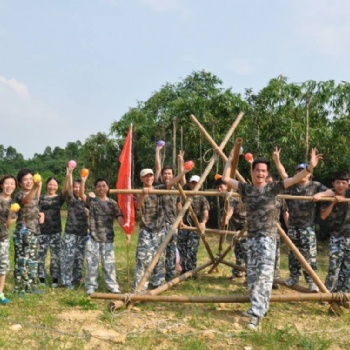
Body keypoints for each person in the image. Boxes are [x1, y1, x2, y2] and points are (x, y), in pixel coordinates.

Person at [222, 148, 322, 330]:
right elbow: (226, 179)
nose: (260, 173)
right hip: (252, 239)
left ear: (266, 174)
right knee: (252, 276)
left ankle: (257, 313)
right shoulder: (247, 189)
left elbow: (293, 180)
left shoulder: (273, 188)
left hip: (267, 239)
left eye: (263, 171)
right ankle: (260, 307)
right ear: (252, 172)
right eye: (257, 170)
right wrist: (230, 159)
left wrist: (310, 168)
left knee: (264, 276)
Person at [273, 147, 327, 292]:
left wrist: (321, 195)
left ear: (309, 174)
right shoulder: (293, 186)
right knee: (293, 253)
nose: (300, 173)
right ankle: (293, 277)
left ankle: (312, 282)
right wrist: (277, 161)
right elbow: (284, 174)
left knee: (310, 255)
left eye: (302, 170)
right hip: (293, 226)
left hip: (307, 227)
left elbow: (331, 191)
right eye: (298, 171)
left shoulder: (315, 186)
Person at [134, 167, 188, 291]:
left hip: (160, 229)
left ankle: (158, 282)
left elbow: (171, 183)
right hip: (146, 229)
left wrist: (184, 172)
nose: (149, 178)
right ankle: (140, 286)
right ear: (142, 178)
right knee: (142, 258)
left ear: (153, 177)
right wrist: (143, 194)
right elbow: (137, 206)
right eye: (146, 176)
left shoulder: (160, 189)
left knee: (159, 257)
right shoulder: (138, 191)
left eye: (150, 176)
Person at [80, 175, 128, 295]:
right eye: (99, 186)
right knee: (92, 264)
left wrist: (126, 230)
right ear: (96, 189)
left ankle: (112, 286)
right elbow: (81, 195)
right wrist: (83, 181)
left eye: (103, 186)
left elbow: (119, 217)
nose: (101, 188)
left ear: (107, 187)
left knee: (109, 264)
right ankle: (91, 286)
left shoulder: (112, 203)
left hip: (108, 238)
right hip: (93, 237)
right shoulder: (93, 201)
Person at [154, 144, 185, 281]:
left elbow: (179, 205)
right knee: (159, 251)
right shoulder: (158, 186)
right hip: (159, 223)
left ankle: (170, 275)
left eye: (170, 174)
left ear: (173, 176)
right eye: (165, 174)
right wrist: (157, 152)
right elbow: (157, 168)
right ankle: (159, 276)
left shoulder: (176, 188)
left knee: (171, 250)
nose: (167, 175)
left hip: (172, 223)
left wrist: (180, 162)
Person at [13, 169, 44, 295]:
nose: (29, 181)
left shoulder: (35, 194)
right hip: (23, 231)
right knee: (22, 260)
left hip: (34, 231)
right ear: (20, 183)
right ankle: (20, 288)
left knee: (33, 260)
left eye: (31, 179)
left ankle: (32, 285)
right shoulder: (19, 195)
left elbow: (35, 205)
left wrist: (41, 214)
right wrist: (36, 187)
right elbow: (26, 201)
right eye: (26, 179)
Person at [319, 171, 350, 294]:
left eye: (344, 183)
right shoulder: (328, 197)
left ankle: (343, 293)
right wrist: (334, 202)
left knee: (347, 268)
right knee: (334, 267)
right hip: (336, 237)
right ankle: (328, 293)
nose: (340, 186)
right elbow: (323, 216)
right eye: (338, 183)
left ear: (348, 185)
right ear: (333, 184)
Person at [60, 167, 88, 289]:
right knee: (68, 259)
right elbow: (69, 189)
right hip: (70, 233)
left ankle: (77, 280)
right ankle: (66, 281)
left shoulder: (87, 200)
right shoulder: (71, 199)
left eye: (79, 186)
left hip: (82, 234)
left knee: (79, 259)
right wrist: (69, 173)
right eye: (76, 186)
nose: (77, 189)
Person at [215, 176, 247, 280]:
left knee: (246, 251)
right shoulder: (229, 197)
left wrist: (226, 219)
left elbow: (231, 210)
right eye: (217, 188)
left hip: (245, 227)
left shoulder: (233, 197)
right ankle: (238, 272)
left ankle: (250, 275)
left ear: (227, 186)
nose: (219, 189)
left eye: (221, 187)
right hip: (238, 228)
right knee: (238, 250)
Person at [178, 175, 210, 278]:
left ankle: (192, 271)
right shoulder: (185, 195)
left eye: (196, 183)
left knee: (192, 249)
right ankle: (184, 270)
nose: (194, 185)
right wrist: (181, 221)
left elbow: (205, 212)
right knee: (182, 248)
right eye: (192, 183)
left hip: (195, 227)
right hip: (184, 226)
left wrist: (203, 222)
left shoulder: (202, 198)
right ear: (190, 183)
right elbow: (179, 208)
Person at [38, 177, 66, 288]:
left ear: (57, 187)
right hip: (42, 231)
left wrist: (69, 174)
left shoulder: (59, 199)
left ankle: (55, 278)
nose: (52, 187)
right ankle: (41, 278)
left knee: (55, 256)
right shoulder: (41, 198)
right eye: (50, 184)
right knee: (41, 256)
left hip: (55, 231)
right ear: (46, 185)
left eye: (54, 185)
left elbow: (66, 190)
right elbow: (35, 203)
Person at [265, 174, 289, 289]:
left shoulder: (279, 197)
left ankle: (275, 279)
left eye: (270, 182)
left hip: (275, 228)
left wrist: (289, 226)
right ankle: (262, 278)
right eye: (266, 182)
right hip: (261, 229)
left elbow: (285, 212)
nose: (268, 184)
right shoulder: (258, 194)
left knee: (275, 254)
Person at [0, 175, 17, 304]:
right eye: (7, 183)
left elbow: (8, 225)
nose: (9, 186)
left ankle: (0, 293)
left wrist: (11, 214)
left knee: (2, 266)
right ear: (2, 185)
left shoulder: (14, 204)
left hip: (3, 238)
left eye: (12, 184)